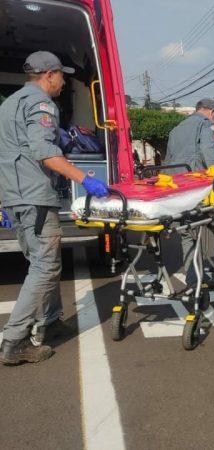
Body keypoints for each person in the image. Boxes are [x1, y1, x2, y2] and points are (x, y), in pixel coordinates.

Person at [0, 51, 109, 365]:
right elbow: (44, 151)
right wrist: (84, 179)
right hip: (35, 196)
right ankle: (14, 340)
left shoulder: (10, 103)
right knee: (45, 267)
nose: (64, 81)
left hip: (16, 196)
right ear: (49, 74)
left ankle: (51, 321)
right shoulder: (42, 104)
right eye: (62, 75)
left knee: (41, 261)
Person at [163, 98, 214, 292]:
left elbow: (168, 161)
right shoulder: (207, 125)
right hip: (200, 189)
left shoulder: (175, 130)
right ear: (211, 112)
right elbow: (208, 153)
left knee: (188, 234)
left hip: (181, 192)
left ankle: (193, 281)